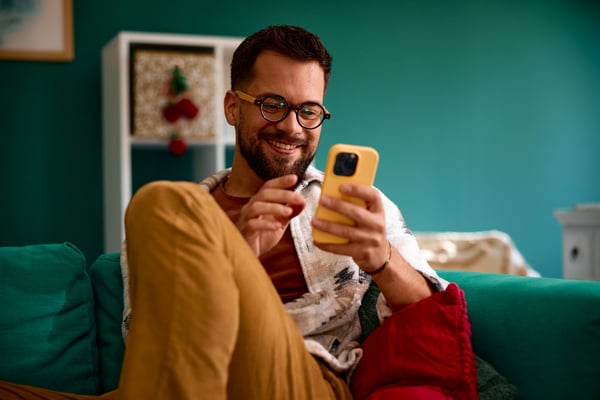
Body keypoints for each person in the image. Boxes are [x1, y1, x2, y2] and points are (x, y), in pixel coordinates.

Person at [1, 25, 457, 400]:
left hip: (301, 379)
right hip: (186, 381)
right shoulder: (185, 219)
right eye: (273, 104)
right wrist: (238, 253)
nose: (292, 127)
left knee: (159, 198)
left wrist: (381, 258)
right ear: (233, 108)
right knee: (165, 204)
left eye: (309, 110)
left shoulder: (351, 203)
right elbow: (151, 337)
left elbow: (432, 318)